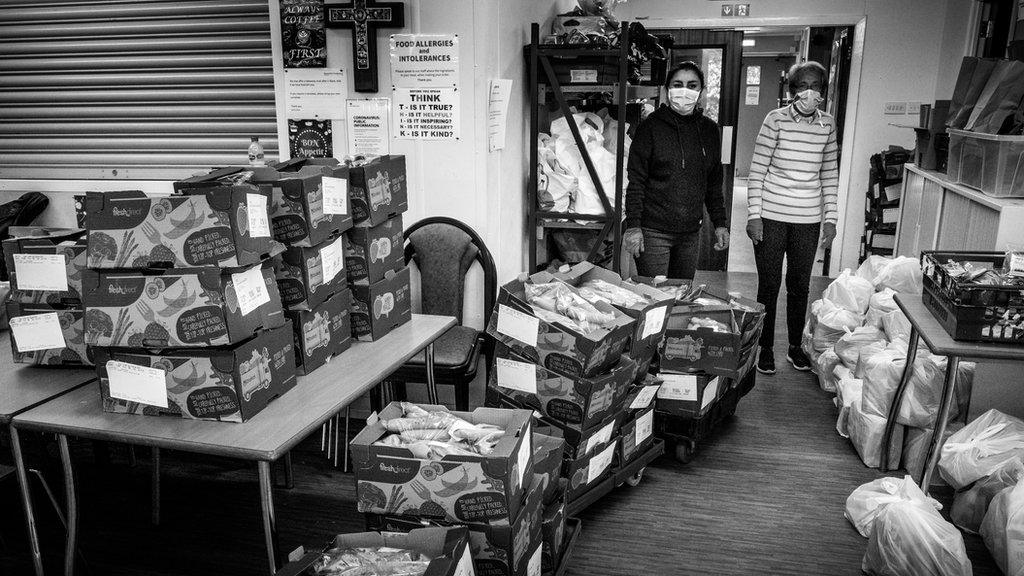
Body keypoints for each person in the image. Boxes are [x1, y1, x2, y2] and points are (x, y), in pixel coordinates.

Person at [746, 61, 839, 375]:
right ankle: (766, 348)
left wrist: (831, 219)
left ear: (823, 92)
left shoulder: (827, 125)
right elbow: (757, 172)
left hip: (808, 219)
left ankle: (795, 347)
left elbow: (829, 175)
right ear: (792, 90)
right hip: (771, 215)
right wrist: (753, 215)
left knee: (800, 285)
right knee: (769, 285)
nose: (808, 93)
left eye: (815, 86)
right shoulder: (775, 120)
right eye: (802, 86)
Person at [623, 61, 729, 280]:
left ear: (701, 91)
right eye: (678, 84)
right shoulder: (650, 127)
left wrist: (720, 224)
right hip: (653, 233)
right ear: (666, 90)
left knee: (681, 296)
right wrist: (633, 227)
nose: (685, 91)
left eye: (692, 85)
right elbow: (636, 181)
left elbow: (713, 183)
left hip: (690, 233)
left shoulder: (709, 130)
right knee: (655, 298)